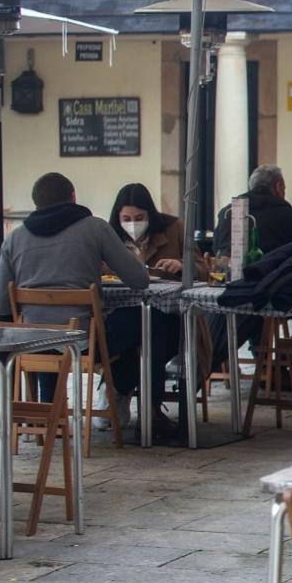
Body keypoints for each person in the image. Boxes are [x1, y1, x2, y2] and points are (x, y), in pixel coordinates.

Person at [0, 173, 150, 411]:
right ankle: (117, 392)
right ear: (73, 197)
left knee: (44, 332)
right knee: (140, 322)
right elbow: (139, 280)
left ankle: (50, 410)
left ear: (37, 204)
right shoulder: (95, 228)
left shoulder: (15, 238)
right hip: (84, 342)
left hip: (31, 344)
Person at [103, 183, 205, 433]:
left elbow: (204, 269)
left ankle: (126, 392)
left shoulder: (174, 229)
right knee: (144, 333)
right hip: (122, 314)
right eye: (126, 218)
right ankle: (141, 399)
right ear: (118, 218)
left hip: (171, 315)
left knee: (156, 327)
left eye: (139, 218)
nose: (133, 223)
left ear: (150, 214)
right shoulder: (110, 236)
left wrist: (182, 265)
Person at [208, 165, 292, 374]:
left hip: (228, 289)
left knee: (254, 312)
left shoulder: (228, 211)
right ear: (278, 186)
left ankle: (264, 365)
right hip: (271, 291)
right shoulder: (285, 212)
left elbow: (217, 249)